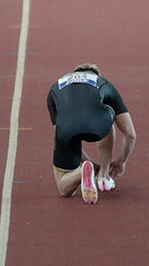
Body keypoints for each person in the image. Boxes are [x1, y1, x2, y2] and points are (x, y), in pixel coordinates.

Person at [47, 63, 136, 205]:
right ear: (95, 75)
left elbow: (60, 133)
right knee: (108, 114)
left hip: (66, 131)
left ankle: (81, 172)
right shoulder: (103, 83)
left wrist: (88, 163)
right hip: (98, 126)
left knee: (63, 188)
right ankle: (104, 177)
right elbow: (130, 134)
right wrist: (121, 161)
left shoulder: (55, 87)